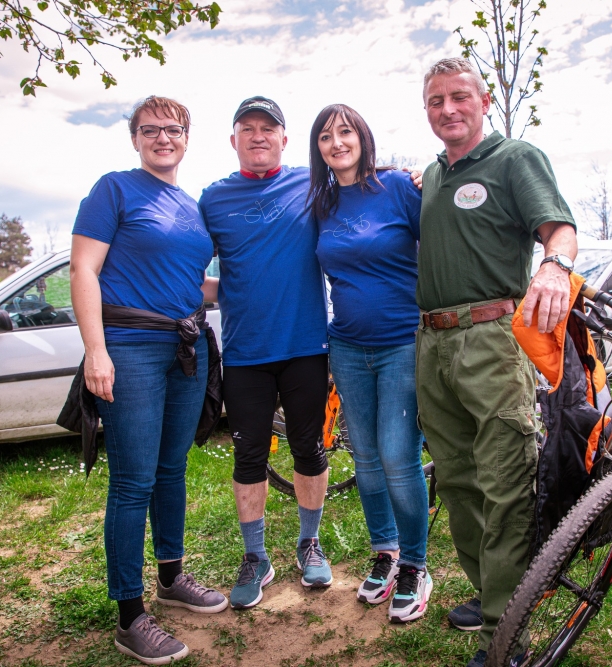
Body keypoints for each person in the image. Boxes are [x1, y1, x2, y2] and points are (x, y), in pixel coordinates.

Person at [415, 57, 578, 667]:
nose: (448, 109)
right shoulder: (433, 175)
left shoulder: (515, 159)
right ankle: (491, 596)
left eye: (460, 96)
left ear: (484, 102)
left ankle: (505, 635)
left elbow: (559, 229)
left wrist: (554, 266)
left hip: (491, 340)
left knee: (505, 481)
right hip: (431, 342)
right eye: (436, 101)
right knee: (458, 481)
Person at [70, 95, 226, 666]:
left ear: (187, 137)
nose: (164, 138)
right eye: (151, 129)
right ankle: (129, 615)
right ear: (135, 138)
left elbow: (191, 281)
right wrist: (96, 351)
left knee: (171, 468)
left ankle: (171, 576)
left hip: (186, 345)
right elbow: (83, 268)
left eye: (174, 129)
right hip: (130, 346)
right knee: (133, 481)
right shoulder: (114, 189)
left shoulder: (191, 206)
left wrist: (255, 281)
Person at [198, 97, 337, 609]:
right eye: (248, 128)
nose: (258, 135)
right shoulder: (213, 199)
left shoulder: (312, 183)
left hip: (305, 346)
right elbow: (187, 264)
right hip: (245, 353)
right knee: (249, 455)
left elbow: (362, 185)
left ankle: (309, 543)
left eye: (268, 128)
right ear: (233, 139)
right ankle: (255, 556)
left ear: (284, 138)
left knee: (309, 448)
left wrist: (410, 176)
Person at [307, 104, 431, 622]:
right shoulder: (321, 203)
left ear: (362, 137)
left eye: (345, 132)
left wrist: (431, 176)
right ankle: (386, 553)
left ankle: (416, 565)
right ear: (317, 148)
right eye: (325, 136)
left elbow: (440, 241)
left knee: (399, 456)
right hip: (348, 348)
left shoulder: (399, 188)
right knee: (366, 458)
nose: (336, 143)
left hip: (403, 342)